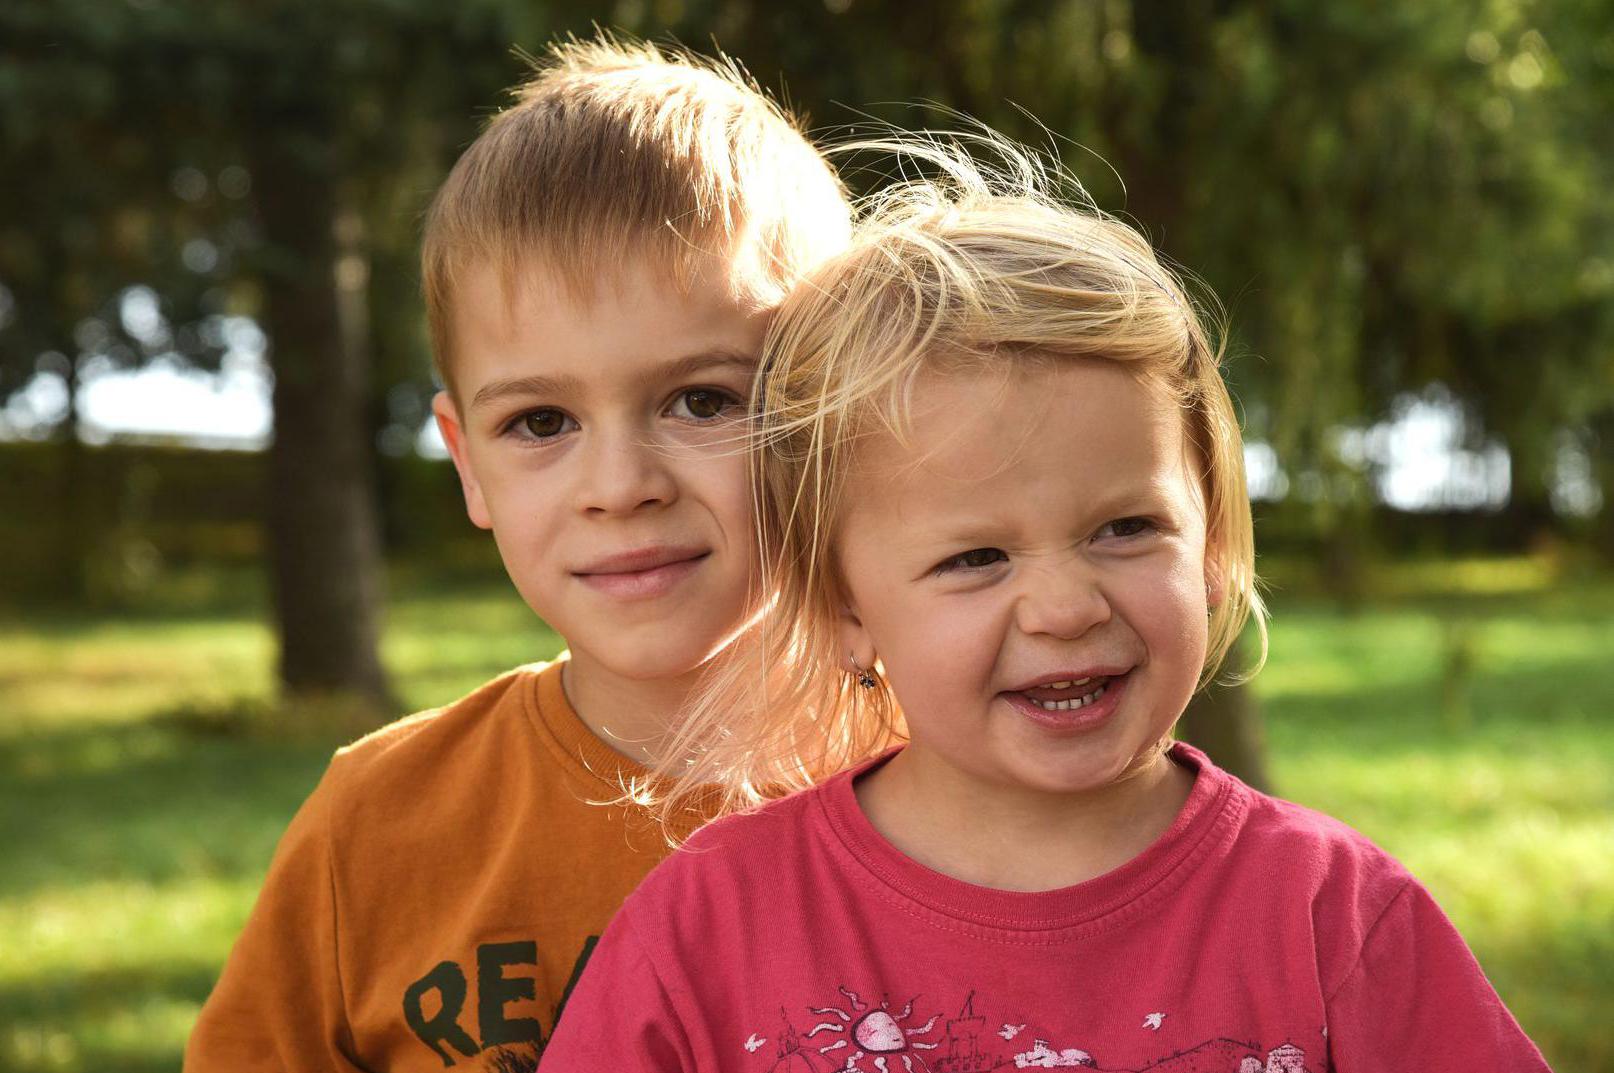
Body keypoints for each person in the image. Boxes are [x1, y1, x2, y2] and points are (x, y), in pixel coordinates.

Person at [539, 140, 1552, 1072]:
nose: (1065, 607)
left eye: (1125, 529)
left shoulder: (1337, 917)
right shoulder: (716, 922)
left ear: (1209, 540)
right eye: (977, 557)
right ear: (844, 605)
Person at [183, 34, 850, 1073]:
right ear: (468, 464)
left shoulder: (965, 776)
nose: (619, 483)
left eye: (702, 399)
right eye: (541, 422)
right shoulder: (378, 822)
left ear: (835, 415)